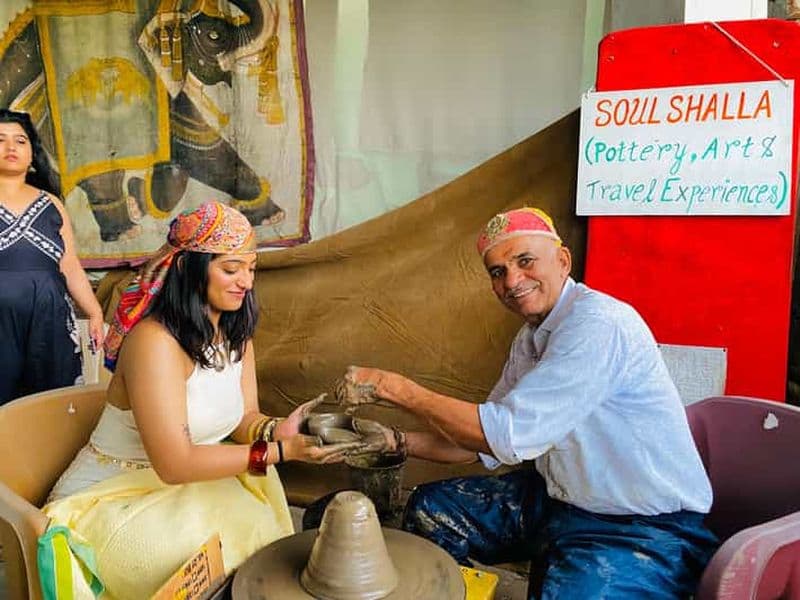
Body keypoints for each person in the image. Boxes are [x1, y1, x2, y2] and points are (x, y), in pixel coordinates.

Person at [337, 207, 718, 599]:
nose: (513, 281)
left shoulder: (598, 324)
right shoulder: (531, 338)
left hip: (642, 524)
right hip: (560, 499)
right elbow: (480, 445)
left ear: (563, 260)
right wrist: (394, 442)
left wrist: (393, 388)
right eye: (498, 272)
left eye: (525, 261)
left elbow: (507, 436)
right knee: (431, 511)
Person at [40, 201, 361, 600]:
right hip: (112, 495)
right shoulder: (154, 343)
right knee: (190, 557)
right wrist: (280, 450)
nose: (245, 281)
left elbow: (244, 417)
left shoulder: (236, 333)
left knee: (258, 524)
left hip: (177, 488)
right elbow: (175, 464)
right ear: (187, 268)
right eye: (231, 268)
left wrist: (277, 429)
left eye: (251, 268)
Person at [0, 109, 104, 405]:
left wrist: (95, 312)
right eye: (1, 140)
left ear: (32, 154)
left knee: (51, 403)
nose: (11, 147)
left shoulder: (51, 204)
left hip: (50, 318)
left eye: (20, 141)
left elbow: (69, 265)